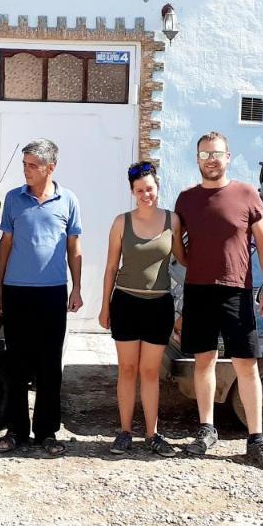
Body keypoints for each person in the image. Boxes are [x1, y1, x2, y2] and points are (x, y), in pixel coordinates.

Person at [174, 131, 263, 471]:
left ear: (228, 157)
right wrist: (198, 265)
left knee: (246, 365)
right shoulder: (186, 200)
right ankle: (206, 430)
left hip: (236, 291)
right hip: (198, 291)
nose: (211, 159)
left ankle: (257, 440)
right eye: (205, 154)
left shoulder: (247, 194)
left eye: (217, 153)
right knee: (203, 361)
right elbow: (180, 246)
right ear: (197, 159)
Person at [0, 139, 83, 456]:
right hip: (17, 292)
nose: (26, 171)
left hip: (52, 293)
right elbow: (5, 245)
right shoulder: (13, 199)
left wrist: (77, 288)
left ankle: (47, 432)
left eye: (33, 165)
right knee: (17, 365)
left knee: (49, 367)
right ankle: (17, 431)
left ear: (51, 167)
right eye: (24, 165)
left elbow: (74, 249)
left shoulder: (68, 200)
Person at [98, 161, 183, 457]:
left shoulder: (173, 221)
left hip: (159, 305)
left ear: (157, 188)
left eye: (149, 189)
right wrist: (104, 306)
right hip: (125, 303)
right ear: (132, 192)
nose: (145, 194)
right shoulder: (122, 222)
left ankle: (152, 434)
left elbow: (184, 262)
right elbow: (110, 267)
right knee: (128, 369)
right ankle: (124, 433)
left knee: (149, 372)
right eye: (139, 190)